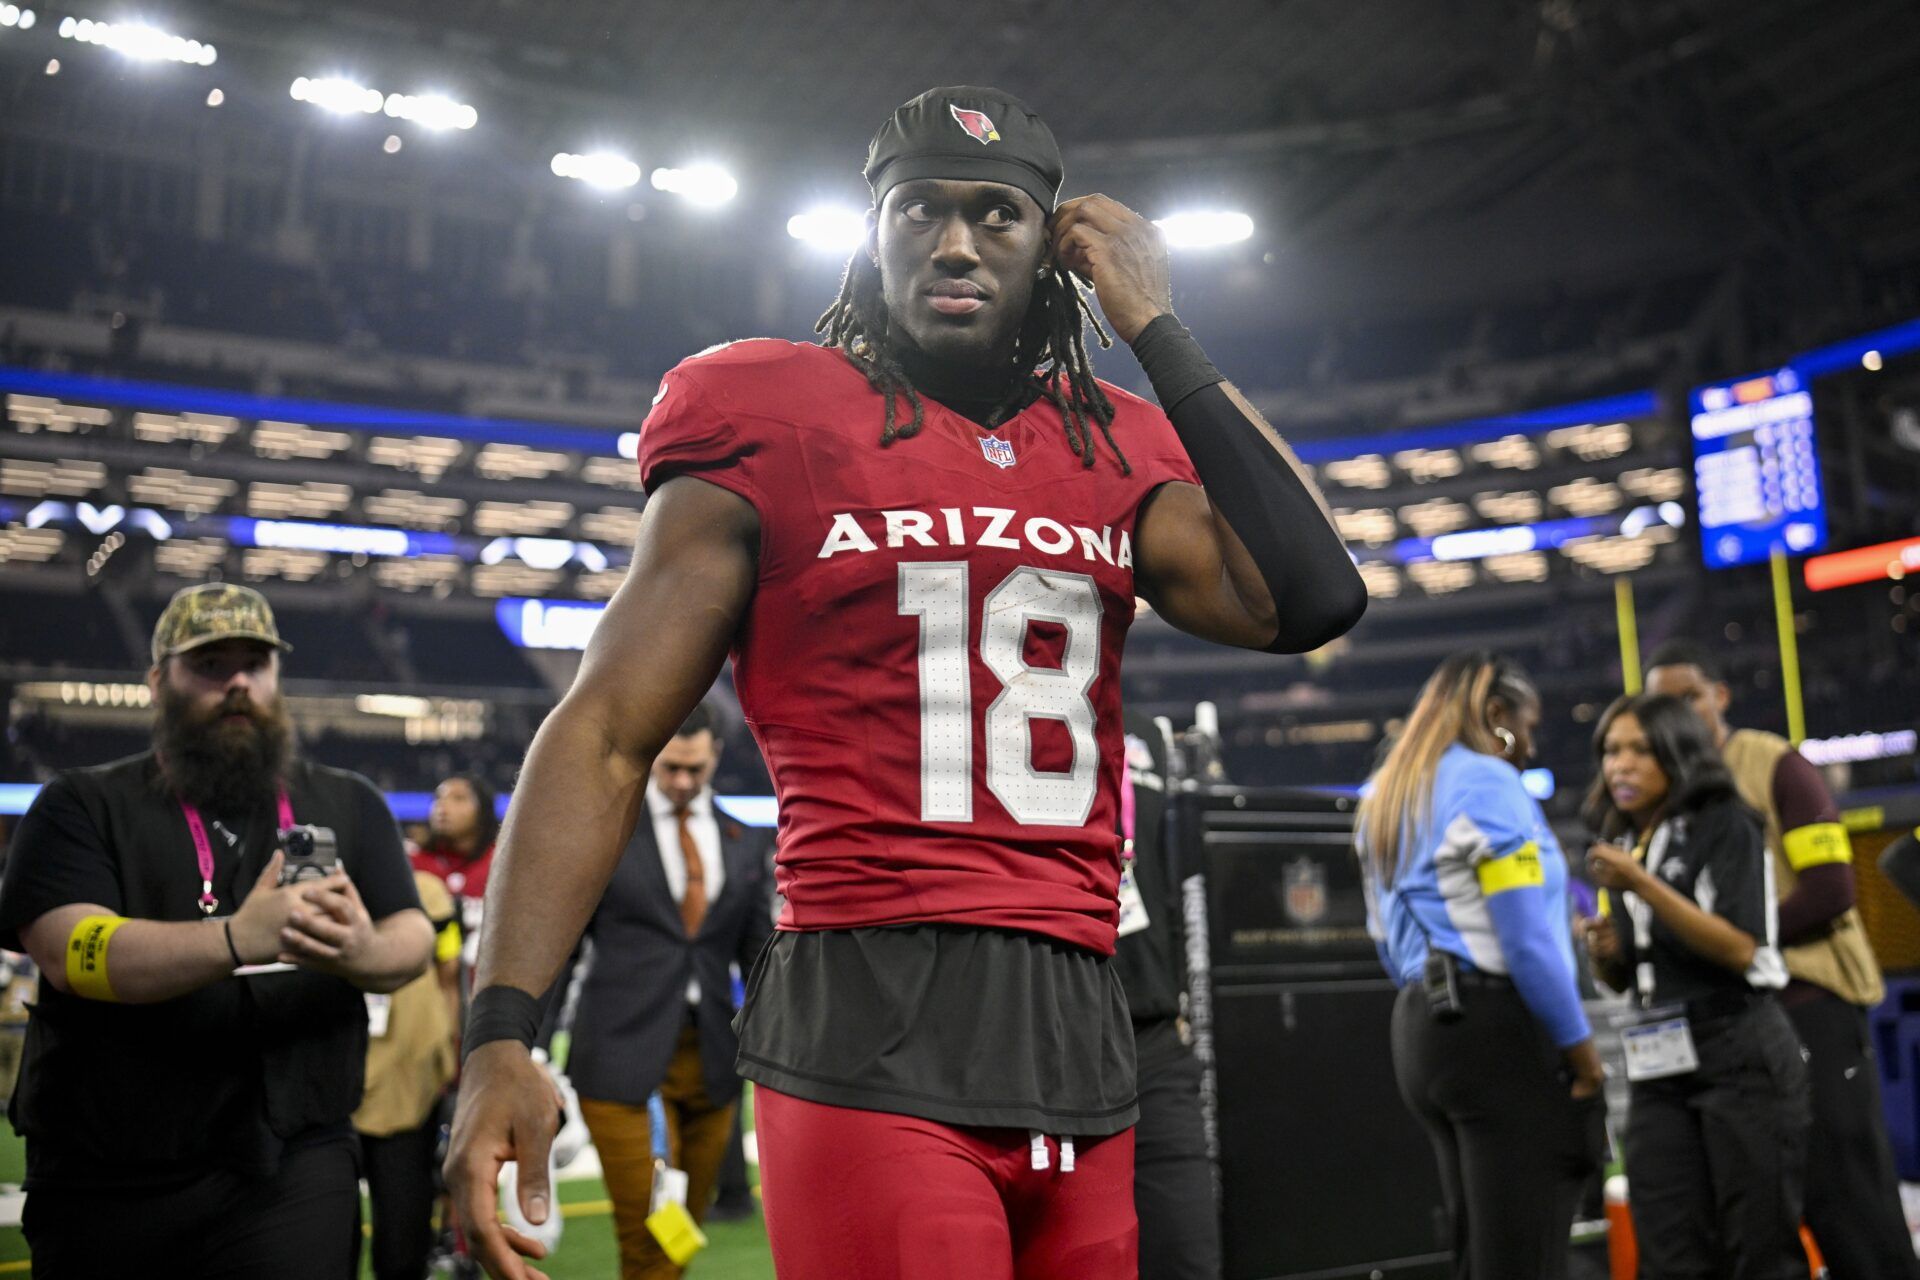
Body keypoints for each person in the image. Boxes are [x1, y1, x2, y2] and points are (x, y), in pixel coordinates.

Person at [445, 84, 1365, 1280]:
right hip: (868, 1005)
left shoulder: (1115, 437)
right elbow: (609, 730)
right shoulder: (765, 411)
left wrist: (1155, 324)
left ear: (1053, 249)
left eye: (997, 216)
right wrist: (500, 1030)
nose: (952, 241)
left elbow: (1315, 594)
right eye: (919, 208)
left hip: (1087, 1015)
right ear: (870, 232)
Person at [0, 582, 433, 1278]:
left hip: (294, 1156)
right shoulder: (80, 805)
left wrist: (363, 950)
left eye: (254, 665)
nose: (236, 683)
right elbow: (71, 955)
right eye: (209, 665)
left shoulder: (347, 801)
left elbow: (410, 932)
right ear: (157, 681)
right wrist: (237, 937)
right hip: (110, 1172)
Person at [1645, 640, 1915, 1279]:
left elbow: (1831, 890)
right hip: (1731, 1027)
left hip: (1810, 1004)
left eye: (1689, 696)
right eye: (1663, 703)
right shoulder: (1668, 792)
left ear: (1720, 696)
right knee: (1759, 1213)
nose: (1678, 712)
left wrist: (1725, 941)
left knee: (1846, 1195)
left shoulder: (1774, 763)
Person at [1355, 651, 1606, 1280]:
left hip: (1421, 1028)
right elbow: (1527, 943)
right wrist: (1582, 1052)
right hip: (1494, 1026)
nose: (1528, 744)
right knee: (1525, 1255)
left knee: (1482, 1250)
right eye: (1527, 724)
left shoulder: (1389, 791)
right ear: (1495, 714)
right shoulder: (1489, 785)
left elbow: (1385, 941)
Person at [1582, 693, 1811, 1280]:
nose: (1620, 765)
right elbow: (1633, 976)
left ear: (1678, 754)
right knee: (1668, 1249)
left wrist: (1641, 884)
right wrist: (1608, 955)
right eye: (1611, 751)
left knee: (1758, 1249)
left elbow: (1741, 948)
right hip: (1659, 1060)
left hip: (1738, 1045)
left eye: (1639, 749)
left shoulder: (1726, 824)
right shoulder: (1630, 841)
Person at [558, 702, 775, 1279]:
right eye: (670, 768)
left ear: (716, 758)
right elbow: (563, 948)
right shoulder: (607, 833)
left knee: (678, 1241)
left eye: (695, 770)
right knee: (649, 1242)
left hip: (708, 1067)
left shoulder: (744, 841)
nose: (682, 781)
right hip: (620, 1062)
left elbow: (758, 960)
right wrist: (526, 1045)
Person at [1112, 709, 1222, 1280]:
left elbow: (1181, 882)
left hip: (1151, 1039)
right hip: (1043, 1041)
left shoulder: (1146, 736)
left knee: (1187, 1253)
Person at [357, 870, 463, 1280]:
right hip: (326, 1080)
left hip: (408, 1076)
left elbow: (449, 973)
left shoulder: (427, 891)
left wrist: (450, 1050)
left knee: (404, 1227)